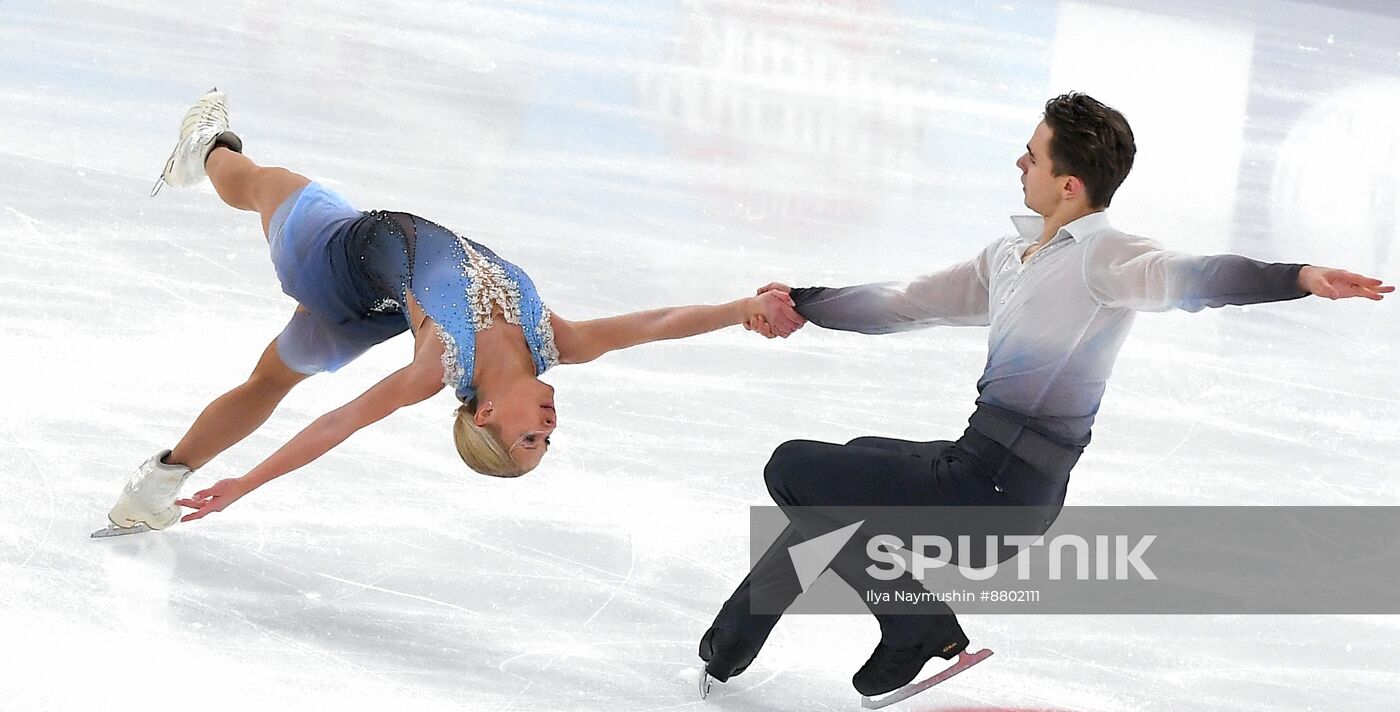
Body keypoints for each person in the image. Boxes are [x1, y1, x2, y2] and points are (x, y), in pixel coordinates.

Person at [701, 92, 1393, 699]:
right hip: (978, 470)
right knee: (851, 466)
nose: (1018, 164)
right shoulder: (1009, 257)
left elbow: (1201, 276)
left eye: (1030, 155)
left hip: (995, 497)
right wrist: (805, 301)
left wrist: (1297, 275)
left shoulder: (1108, 260)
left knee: (793, 467)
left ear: (1067, 184)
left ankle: (917, 624)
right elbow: (904, 302)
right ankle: (728, 648)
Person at [97, 89, 807, 536]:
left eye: (531, 442)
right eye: (546, 447)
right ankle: (155, 483)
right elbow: (657, 325)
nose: (550, 433)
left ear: (489, 417)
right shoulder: (554, 341)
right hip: (375, 309)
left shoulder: (439, 365)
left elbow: (340, 421)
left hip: (334, 260)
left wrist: (247, 485)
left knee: (264, 184)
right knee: (268, 382)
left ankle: (206, 148)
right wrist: (742, 307)